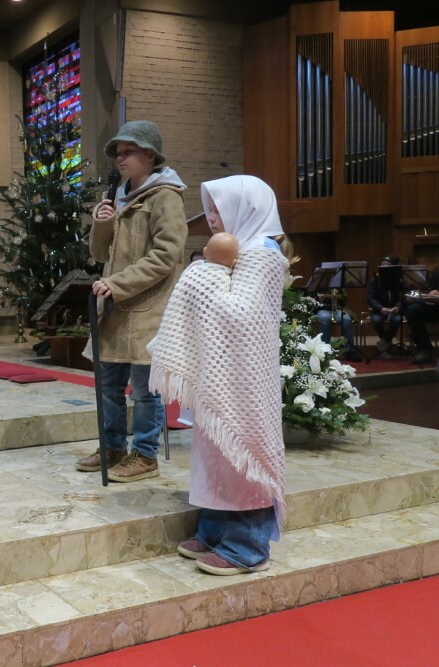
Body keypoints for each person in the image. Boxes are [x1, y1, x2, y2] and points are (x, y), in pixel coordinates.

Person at [149, 174, 290, 575]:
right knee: (215, 455)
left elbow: (240, 316)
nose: (211, 217)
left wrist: (204, 270)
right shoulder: (239, 247)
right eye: (208, 208)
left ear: (246, 208)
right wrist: (211, 269)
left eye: (218, 208)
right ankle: (214, 529)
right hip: (224, 375)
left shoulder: (262, 252)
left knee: (243, 454)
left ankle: (249, 545)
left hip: (246, 379)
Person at [75, 120, 187, 481]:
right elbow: (98, 255)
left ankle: (145, 455)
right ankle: (112, 447)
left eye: (128, 152)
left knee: (144, 390)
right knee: (108, 386)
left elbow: (166, 257)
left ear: (150, 155)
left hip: (146, 309)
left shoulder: (166, 197)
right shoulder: (118, 196)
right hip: (114, 307)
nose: (120, 159)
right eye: (118, 153)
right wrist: (102, 223)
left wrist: (118, 283)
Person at [366, 255, 403, 358]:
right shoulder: (374, 280)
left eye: (388, 264)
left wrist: (397, 307)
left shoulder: (399, 281)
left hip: (395, 310)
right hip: (379, 310)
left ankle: (383, 343)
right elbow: (370, 299)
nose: (385, 266)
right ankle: (388, 344)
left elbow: (403, 297)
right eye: (383, 264)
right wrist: (381, 308)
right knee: (376, 320)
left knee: (397, 320)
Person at [406, 264, 439, 363]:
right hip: (436, 306)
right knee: (413, 310)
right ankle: (425, 349)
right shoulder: (437, 270)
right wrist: (431, 292)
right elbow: (431, 288)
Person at [314, 290, 358, 360]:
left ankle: (348, 350)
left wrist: (326, 297)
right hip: (321, 309)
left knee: (347, 319)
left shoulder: (337, 283)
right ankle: (325, 350)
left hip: (337, 309)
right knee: (324, 318)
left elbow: (344, 297)